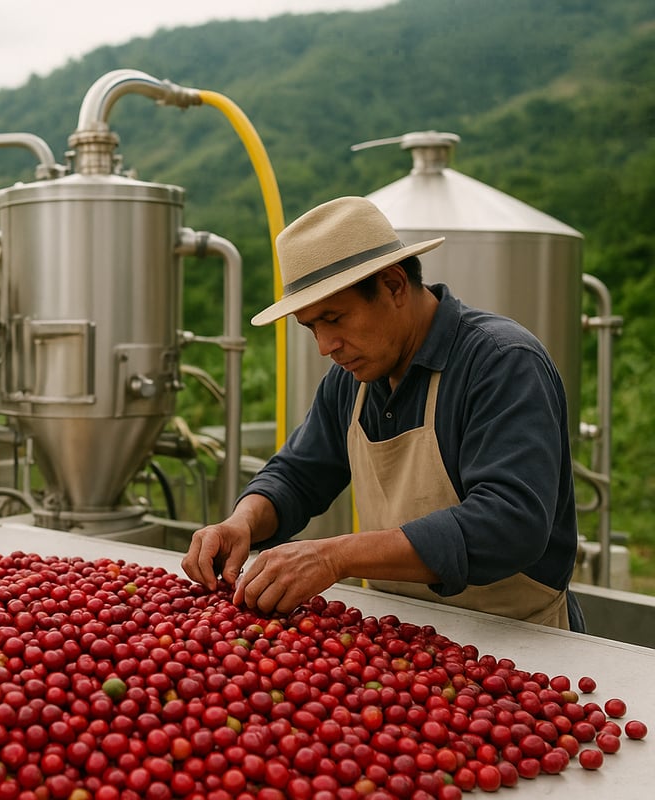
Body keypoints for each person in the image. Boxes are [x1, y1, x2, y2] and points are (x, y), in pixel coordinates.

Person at [182, 195, 583, 631]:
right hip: (400, 635)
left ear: (393, 285)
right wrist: (242, 521)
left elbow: (510, 523)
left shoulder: (501, 362)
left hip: (519, 643)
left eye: (334, 318)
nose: (325, 346)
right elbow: (297, 475)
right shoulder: (351, 379)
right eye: (312, 326)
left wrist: (334, 556)